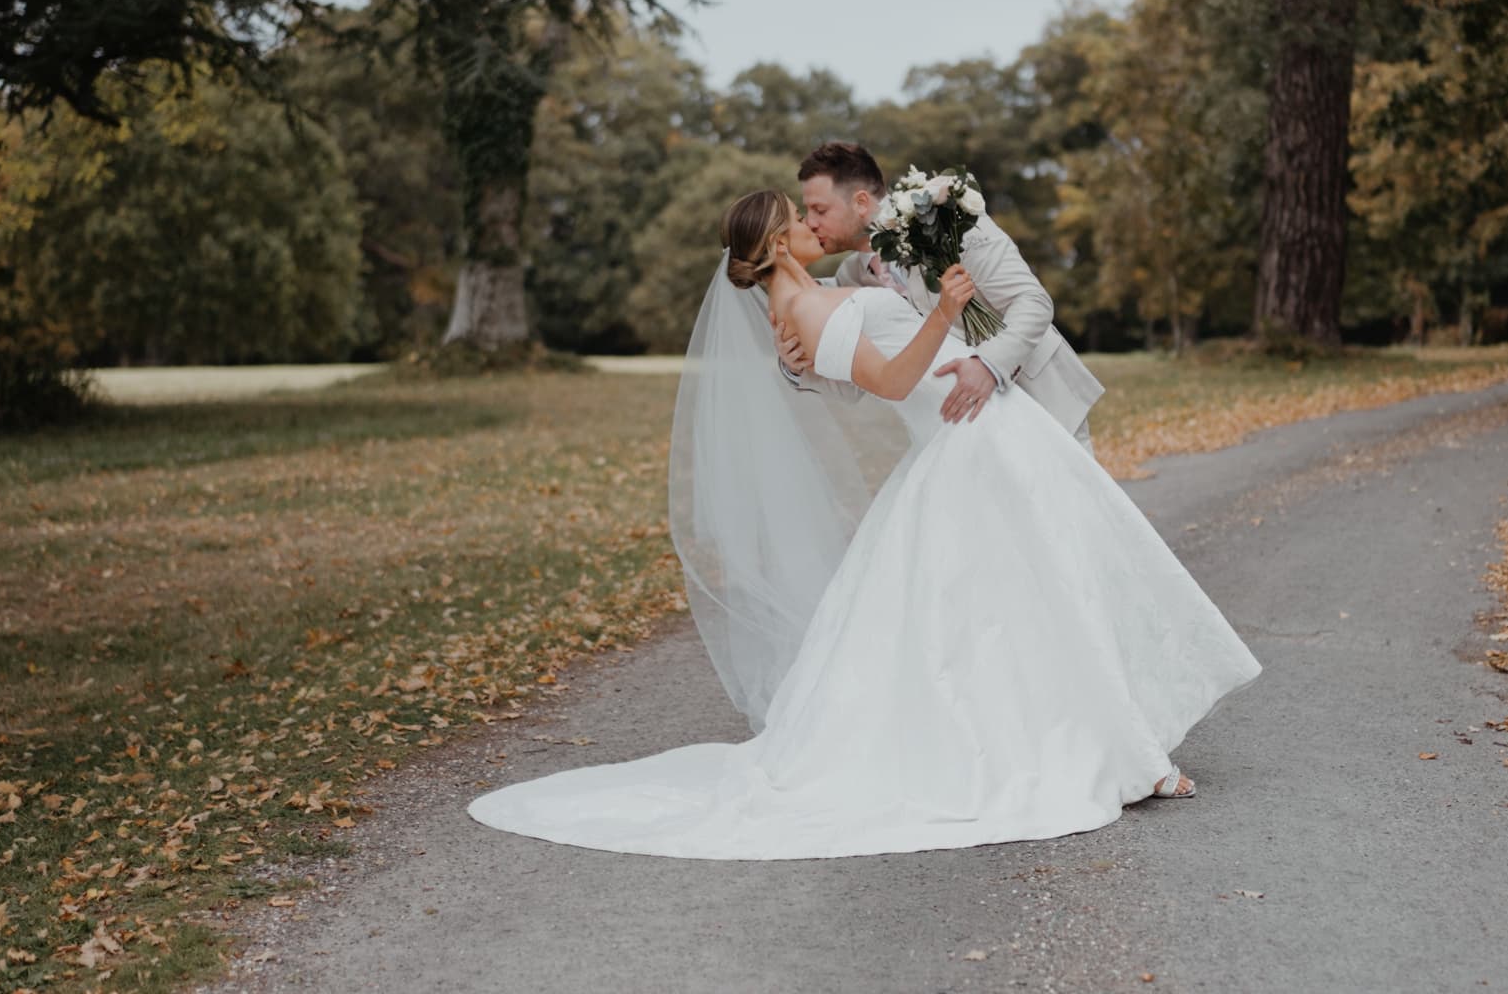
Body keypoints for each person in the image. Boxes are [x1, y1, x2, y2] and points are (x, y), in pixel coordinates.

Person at [465, 190, 1263, 860]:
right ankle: (1127, 755)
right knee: (1042, 594)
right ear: (778, 241)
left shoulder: (807, 302)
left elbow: (857, 330)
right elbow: (888, 380)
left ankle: (1120, 746)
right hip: (968, 439)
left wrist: (905, 295)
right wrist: (945, 309)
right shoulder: (802, 308)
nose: (816, 225)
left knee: (1042, 597)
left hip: (985, 433)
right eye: (800, 218)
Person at [778, 142, 1105, 456]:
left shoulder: (948, 218)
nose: (810, 222)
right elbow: (861, 382)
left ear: (861, 202)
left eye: (819, 209)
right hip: (965, 434)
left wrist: (988, 365)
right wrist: (798, 367)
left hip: (1041, 402)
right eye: (806, 212)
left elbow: (1032, 301)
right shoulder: (850, 279)